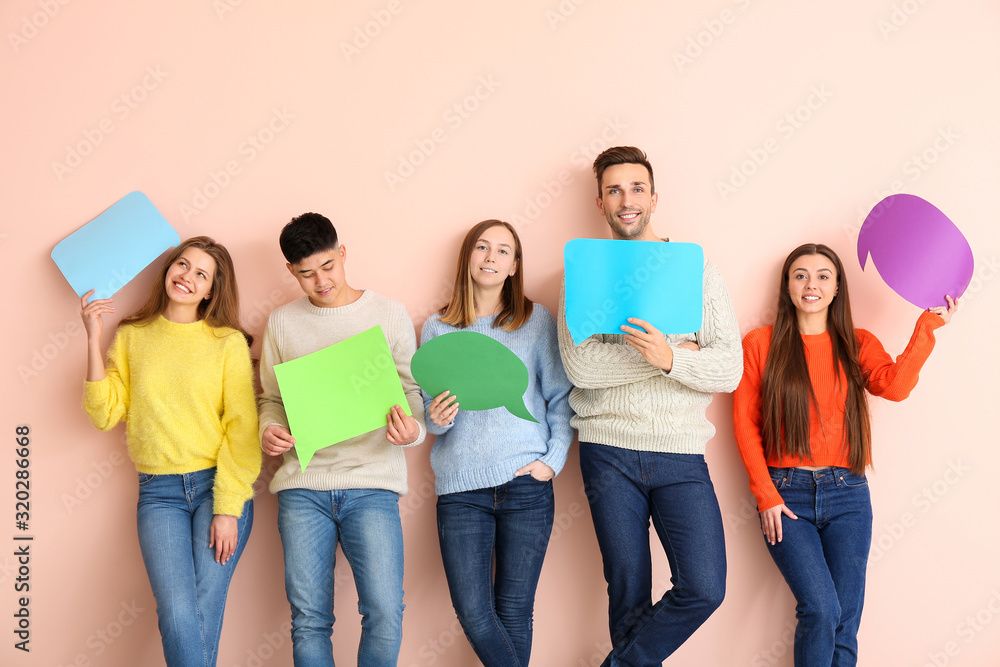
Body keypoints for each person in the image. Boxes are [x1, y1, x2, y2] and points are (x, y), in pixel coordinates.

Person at [557, 146, 743, 666]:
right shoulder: (582, 272)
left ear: (654, 197)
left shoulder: (696, 269)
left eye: (636, 188)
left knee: (704, 586)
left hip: (680, 451)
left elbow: (729, 368)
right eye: (614, 190)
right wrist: (666, 356)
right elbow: (583, 370)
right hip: (607, 449)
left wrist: (674, 361)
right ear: (600, 202)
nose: (627, 199)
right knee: (627, 590)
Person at [733, 243, 955, 666]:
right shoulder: (760, 344)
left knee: (845, 620)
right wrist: (766, 494)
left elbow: (895, 386)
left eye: (822, 275)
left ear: (837, 288)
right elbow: (745, 424)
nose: (811, 284)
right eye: (800, 275)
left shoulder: (857, 343)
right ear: (787, 286)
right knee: (821, 608)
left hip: (849, 494)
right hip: (787, 495)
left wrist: (927, 326)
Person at [81, 236, 261, 667]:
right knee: (180, 613)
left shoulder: (227, 343)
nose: (187, 277)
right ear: (168, 270)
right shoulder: (132, 336)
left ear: (212, 291)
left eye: (202, 274)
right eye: (183, 265)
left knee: (201, 608)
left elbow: (242, 429)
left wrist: (227, 508)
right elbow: (105, 413)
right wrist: (92, 338)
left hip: (218, 487)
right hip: (158, 494)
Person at [258, 212, 425, 667]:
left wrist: (412, 429)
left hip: (372, 483)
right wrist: (268, 430)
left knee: (385, 611)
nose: (321, 281)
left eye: (328, 267)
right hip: (302, 487)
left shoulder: (387, 313)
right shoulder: (281, 323)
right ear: (291, 270)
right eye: (307, 273)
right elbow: (271, 400)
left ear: (343, 253)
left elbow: (412, 393)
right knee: (309, 619)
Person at [421, 219, 574, 667]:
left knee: (515, 611)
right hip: (460, 490)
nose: (491, 257)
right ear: (467, 257)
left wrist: (553, 460)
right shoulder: (436, 328)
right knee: (473, 611)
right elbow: (433, 413)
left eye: (503, 251)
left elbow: (562, 396)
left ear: (514, 266)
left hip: (526, 483)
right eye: (482, 248)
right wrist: (435, 419)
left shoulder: (536, 320)